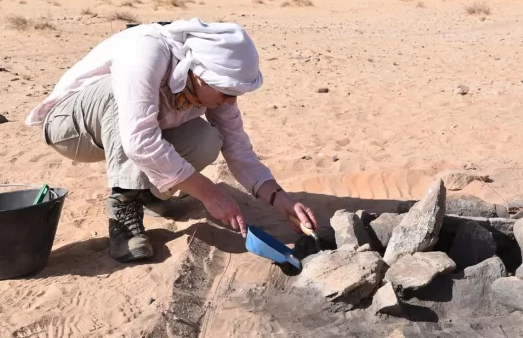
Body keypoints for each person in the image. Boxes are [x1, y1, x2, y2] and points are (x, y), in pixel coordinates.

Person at [25, 18, 318, 263]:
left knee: (207, 138)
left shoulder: (214, 88)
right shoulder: (147, 52)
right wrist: (209, 193)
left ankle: (149, 195)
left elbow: (238, 148)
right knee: (124, 100)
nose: (230, 101)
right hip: (72, 129)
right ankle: (124, 209)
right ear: (200, 75)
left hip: (123, 132)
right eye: (226, 92)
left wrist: (281, 200)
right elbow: (139, 139)